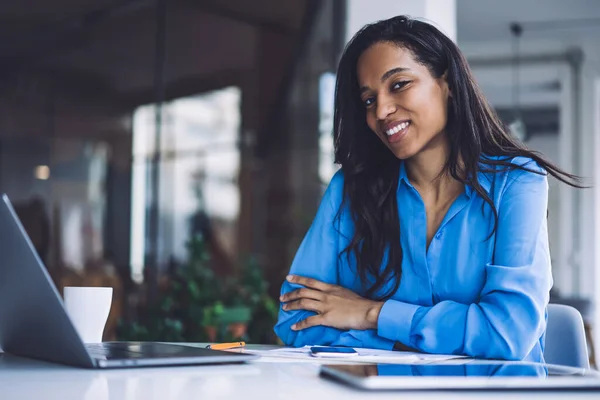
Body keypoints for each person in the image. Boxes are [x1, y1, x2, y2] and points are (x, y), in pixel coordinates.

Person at [274, 16, 582, 362]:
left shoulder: (516, 181)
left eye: (399, 84)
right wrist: (441, 334)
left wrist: (372, 314)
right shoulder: (349, 190)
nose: (383, 110)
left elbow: (508, 333)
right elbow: (296, 321)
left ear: (446, 82)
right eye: (368, 100)